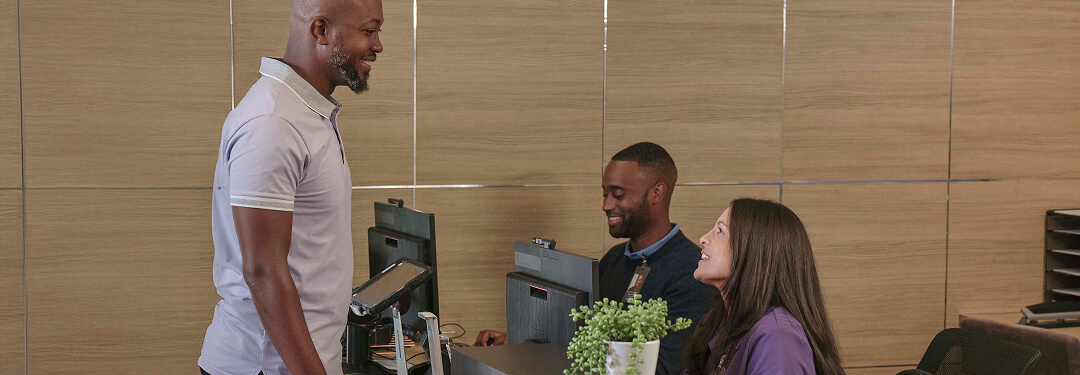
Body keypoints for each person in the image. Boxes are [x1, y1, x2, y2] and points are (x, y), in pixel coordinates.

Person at [198, 0, 383, 374]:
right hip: (267, 367)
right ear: (320, 30)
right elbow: (263, 269)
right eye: (369, 30)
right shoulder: (274, 122)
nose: (378, 45)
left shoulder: (305, 112)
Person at [476, 142, 710, 375]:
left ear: (657, 192)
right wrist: (521, 345)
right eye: (605, 193)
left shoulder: (692, 272)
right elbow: (579, 335)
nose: (606, 205)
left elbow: (664, 368)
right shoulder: (614, 259)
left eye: (618, 194)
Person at [683, 198, 844, 375]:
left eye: (720, 231)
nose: (703, 238)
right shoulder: (716, 321)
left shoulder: (776, 336)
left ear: (755, 252)